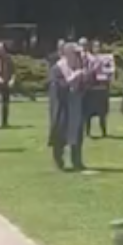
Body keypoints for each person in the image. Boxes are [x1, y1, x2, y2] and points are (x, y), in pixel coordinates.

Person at [48, 42, 88, 171]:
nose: (79, 56)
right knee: (60, 133)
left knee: (76, 133)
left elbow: (84, 87)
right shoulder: (57, 68)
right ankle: (58, 161)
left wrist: (84, 79)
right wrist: (74, 77)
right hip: (62, 107)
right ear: (68, 54)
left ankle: (77, 161)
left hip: (75, 104)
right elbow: (59, 88)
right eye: (76, 53)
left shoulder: (78, 66)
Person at [85, 40, 115, 138]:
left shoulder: (106, 58)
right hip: (91, 87)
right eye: (95, 46)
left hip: (102, 87)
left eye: (98, 46)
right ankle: (87, 132)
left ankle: (104, 132)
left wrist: (103, 70)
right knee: (88, 111)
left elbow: (112, 69)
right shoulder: (87, 57)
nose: (96, 48)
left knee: (102, 112)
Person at [0, 41, 15, 128]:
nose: (1, 50)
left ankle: (5, 122)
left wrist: (12, 80)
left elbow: (13, 71)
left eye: (2, 48)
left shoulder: (9, 59)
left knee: (5, 104)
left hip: (6, 83)